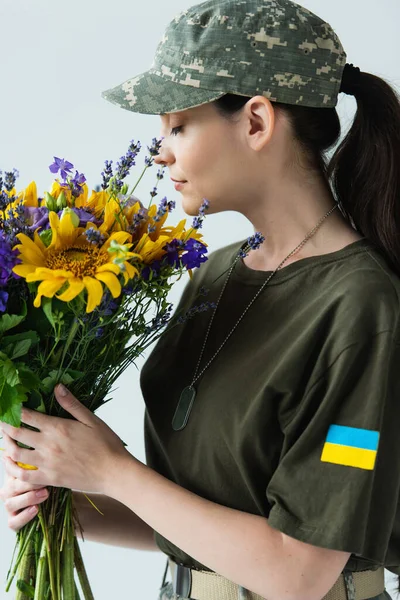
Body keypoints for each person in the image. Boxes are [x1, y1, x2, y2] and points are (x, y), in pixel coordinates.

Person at [1, 0, 400, 598]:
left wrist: (112, 469)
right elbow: (194, 521)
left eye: (178, 126)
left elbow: (299, 573)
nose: (159, 153)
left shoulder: (361, 306)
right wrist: (67, 495)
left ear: (257, 121)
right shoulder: (212, 276)